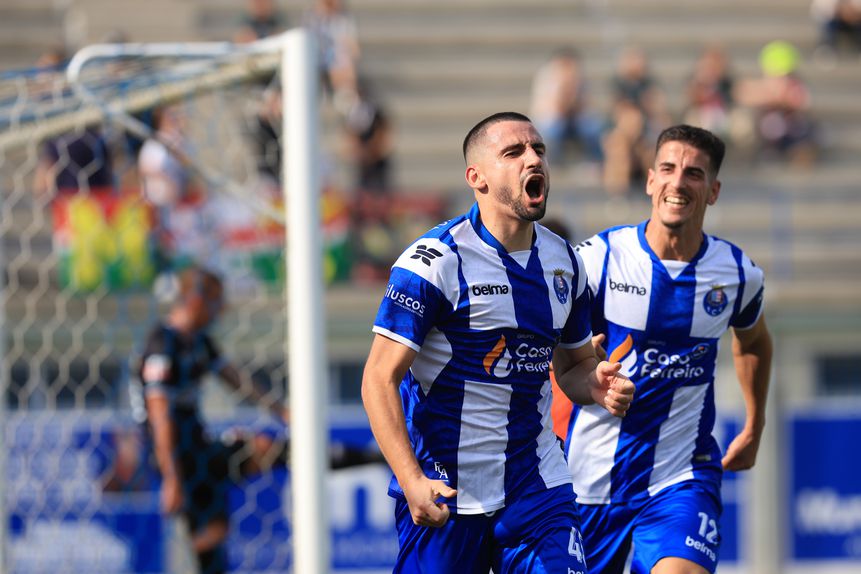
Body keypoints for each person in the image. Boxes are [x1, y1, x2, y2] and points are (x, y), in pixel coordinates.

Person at [361, 111, 635, 573]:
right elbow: (377, 379)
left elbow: (572, 368)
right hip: (446, 486)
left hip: (536, 482)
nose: (533, 159)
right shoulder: (434, 263)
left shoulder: (565, 262)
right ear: (477, 177)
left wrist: (597, 384)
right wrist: (411, 480)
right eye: (514, 152)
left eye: (539, 150)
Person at [557, 125, 773, 573]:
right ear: (651, 179)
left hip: (681, 474)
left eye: (693, 174)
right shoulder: (599, 258)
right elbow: (544, 337)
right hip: (590, 477)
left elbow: (753, 342)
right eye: (669, 170)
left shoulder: (737, 274)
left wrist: (754, 422)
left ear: (713, 191)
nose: (678, 183)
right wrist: (582, 370)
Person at [131, 266, 288, 574]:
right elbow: (160, 416)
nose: (221, 311)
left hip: (198, 447)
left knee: (215, 534)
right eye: (216, 303)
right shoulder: (162, 345)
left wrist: (281, 410)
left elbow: (237, 380)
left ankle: (366, 457)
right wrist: (171, 477)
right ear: (195, 300)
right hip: (172, 456)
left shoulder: (200, 343)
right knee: (207, 538)